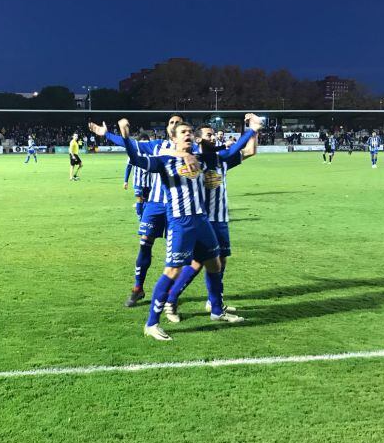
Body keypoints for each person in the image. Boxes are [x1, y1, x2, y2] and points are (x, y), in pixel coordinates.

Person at [121, 114, 262, 340]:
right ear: (174, 139)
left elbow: (232, 151)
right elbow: (137, 160)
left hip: (203, 222)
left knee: (215, 264)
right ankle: (151, 323)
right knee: (172, 270)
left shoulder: (202, 160)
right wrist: (126, 136)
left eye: (189, 132)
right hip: (180, 223)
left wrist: (251, 131)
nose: (187, 135)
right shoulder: (164, 162)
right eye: (183, 133)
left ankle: (217, 310)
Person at [162, 123, 258, 323]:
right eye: (208, 135)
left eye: (213, 135)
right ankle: (171, 299)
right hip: (204, 220)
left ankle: (214, 302)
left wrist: (254, 132)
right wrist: (251, 128)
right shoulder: (196, 160)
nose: (213, 138)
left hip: (221, 218)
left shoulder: (221, 160)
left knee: (220, 261)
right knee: (197, 263)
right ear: (198, 139)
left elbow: (250, 151)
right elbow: (167, 152)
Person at [89, 114, 185, 307]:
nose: (174, 125)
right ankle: (137, 288)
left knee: (176, 253)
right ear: (167, 128)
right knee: (144, 244)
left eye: (179, 123)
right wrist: (107, 134)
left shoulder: (192, 149)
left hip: (179, 207)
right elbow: (131, 145)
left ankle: (170, 296)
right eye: (171, 123)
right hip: (155, 204)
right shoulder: (157, 146)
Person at [123, 133, 151, 218]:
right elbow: (128, 167)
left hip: (148, 183)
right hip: (137, 181)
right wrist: (125, 181)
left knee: (146, 200)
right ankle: (140, 218)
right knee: (139, 199)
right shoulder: (133, 153)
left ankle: (144, 216)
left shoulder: (151, 152)